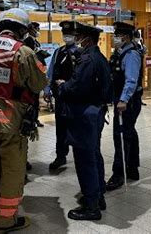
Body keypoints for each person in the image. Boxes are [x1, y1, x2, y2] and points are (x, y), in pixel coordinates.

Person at [0, 8, 48, 233]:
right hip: (11, 120)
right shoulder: (23, 52)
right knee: (12, 171)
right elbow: (39, 83)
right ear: (22, 30)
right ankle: (6, 220)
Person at [56, 22, 113, 221]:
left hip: (84, 115)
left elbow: (76, 88)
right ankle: (99, 196)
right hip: (96, 111)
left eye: (78, 37)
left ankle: (91, 206)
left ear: (86, 40)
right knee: (94, 154)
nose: (76, 40)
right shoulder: (99, 58)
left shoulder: (88, 60)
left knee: (85, 159)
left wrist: (62, 86)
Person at [106, 22, 143, 192]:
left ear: (126, 37)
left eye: (117, 35)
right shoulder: (120, 53)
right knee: (129, 132)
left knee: (120, 135)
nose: (115, 38)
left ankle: (119, 174)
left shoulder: (132, 54)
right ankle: (133, 166)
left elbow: (131, 80)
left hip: (127, 101)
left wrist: (124, 99)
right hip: (123, 99)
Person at [44, 21, 81, 171]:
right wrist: (47, 89)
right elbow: (51, 71)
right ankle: (61, 155)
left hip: (76, 97)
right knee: (61, 127)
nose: (67, 37)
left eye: (70, 35)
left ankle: (80, 156)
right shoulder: (59, 52)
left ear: (76, 36)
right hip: (60, 96)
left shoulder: (80, 52)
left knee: (77, 127)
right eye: (65, 34)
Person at [23, 22, 45, 128]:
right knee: (32, 98)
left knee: (36, 99)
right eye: (37, 28)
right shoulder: (28, 41)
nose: (38, 31)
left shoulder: (35, 41)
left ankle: (35, 118)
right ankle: (31, 119)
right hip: (32, 73)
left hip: (37, 71)